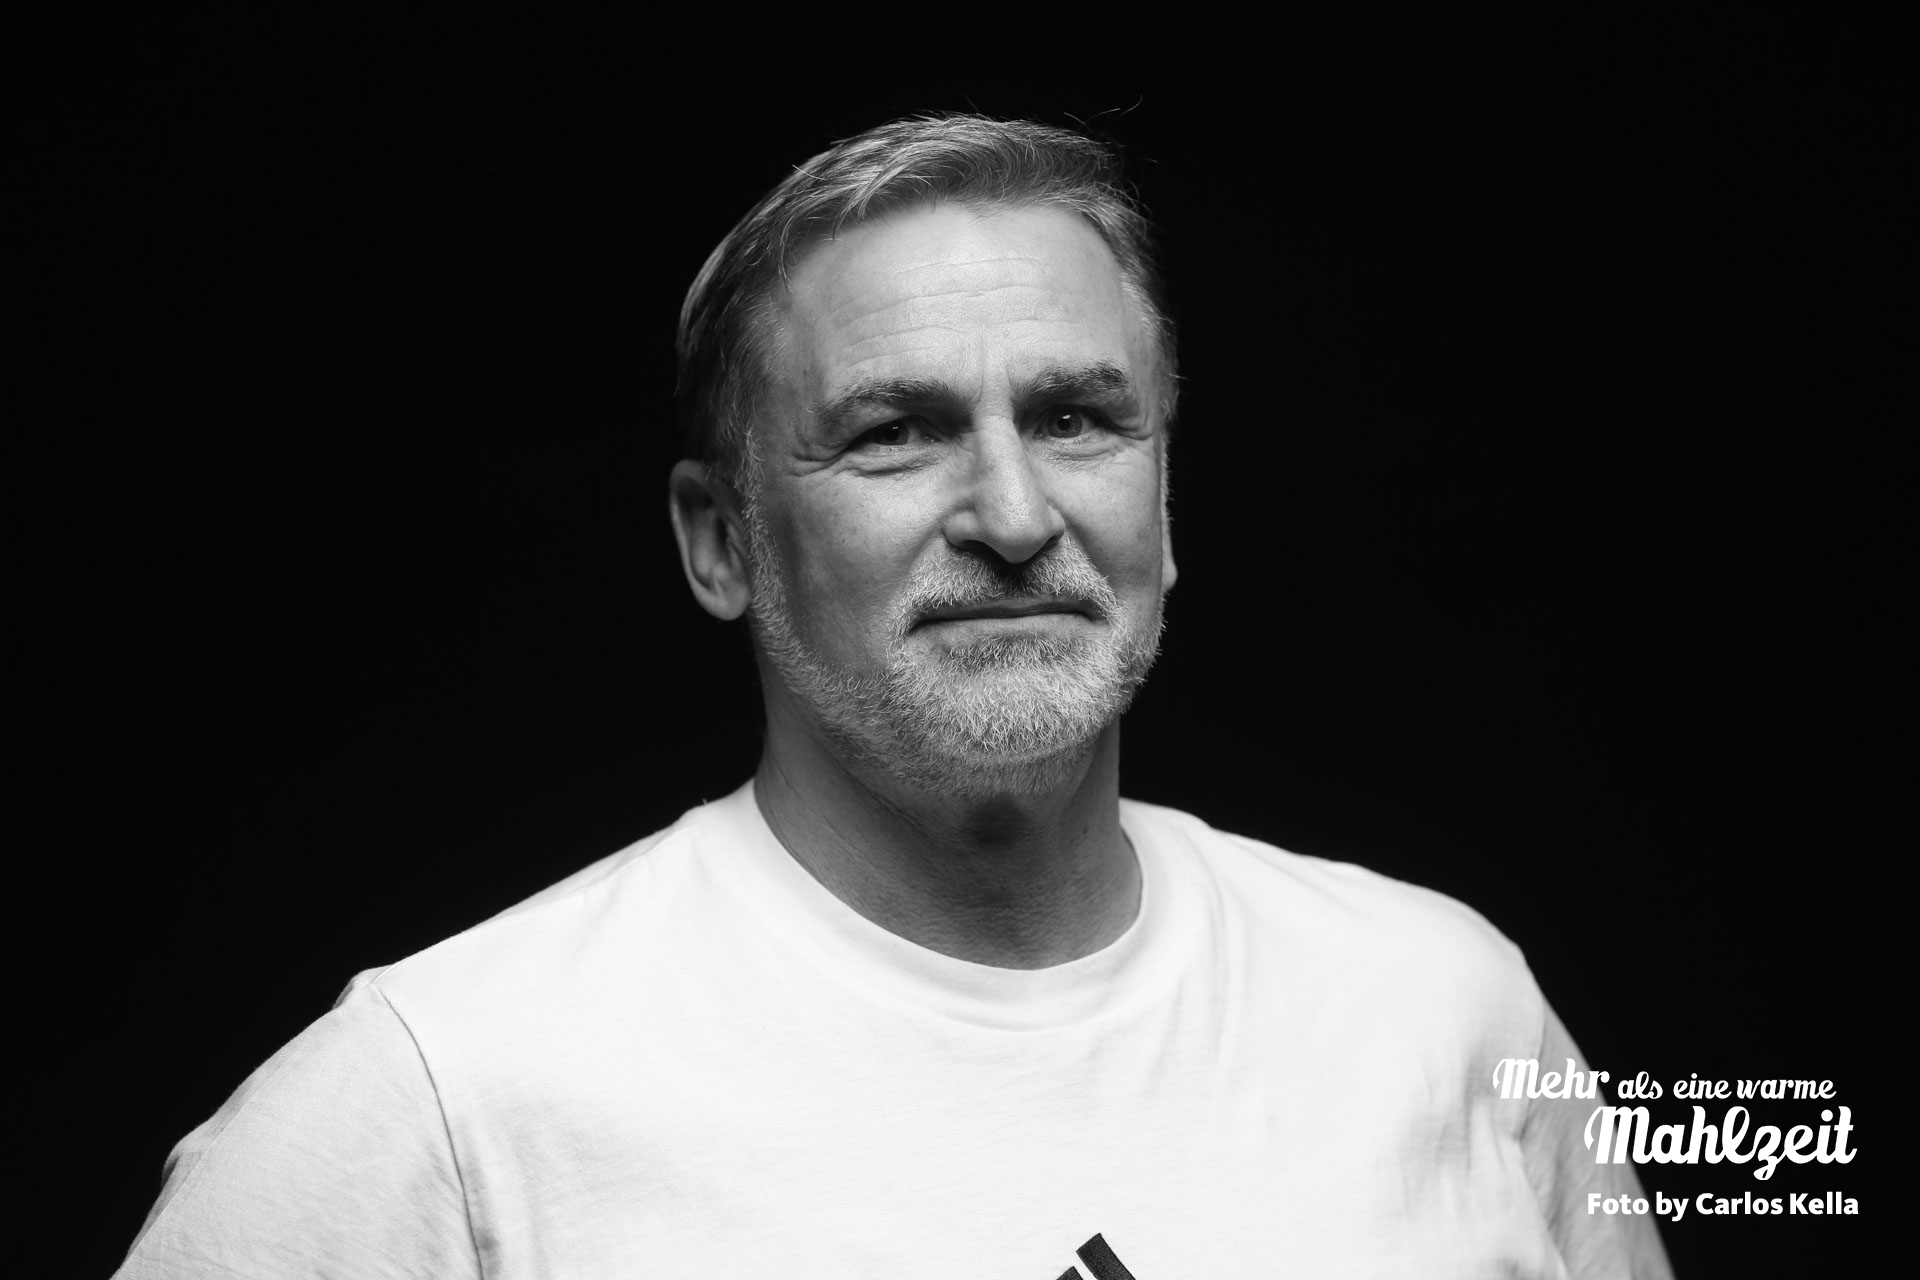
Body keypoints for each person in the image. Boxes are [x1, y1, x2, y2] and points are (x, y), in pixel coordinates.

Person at [116, 115, 1670, 1279]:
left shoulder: (1445, 1010)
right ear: (723, 542)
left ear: (1165, 500)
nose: (1014, 515)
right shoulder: (442, 1103)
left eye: (1077, 419)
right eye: (893, 434)